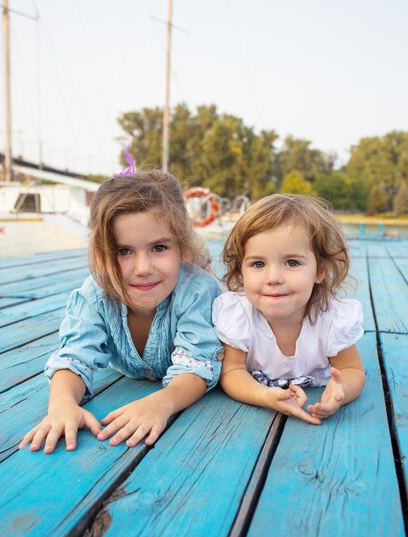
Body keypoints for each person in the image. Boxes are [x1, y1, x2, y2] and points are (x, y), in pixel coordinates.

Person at [19, 169, 223, 453]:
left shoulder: (196, 291)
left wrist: (161, 403)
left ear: (182, 247)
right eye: (123, 251)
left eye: (159, 247)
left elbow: (197, 367)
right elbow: (74, 357)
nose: (142, 269)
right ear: (102, 254)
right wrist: (62, 405)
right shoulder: (96, 295)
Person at [212, 193, 365, 425]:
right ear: (241, 270)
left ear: (320, 270)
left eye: (292, 262)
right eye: (258, 264)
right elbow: (232, 372)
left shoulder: (332, 318)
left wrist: (339, 391)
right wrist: (264, 396)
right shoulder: (239, 315)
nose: (273, 277)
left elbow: (352, 369)